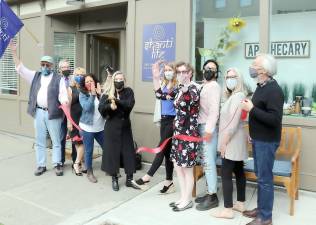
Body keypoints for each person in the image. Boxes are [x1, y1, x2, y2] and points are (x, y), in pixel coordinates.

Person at [9, 41, 69, 176]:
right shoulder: (35, 76)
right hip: (39, 112)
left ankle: (57, 164)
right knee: (40, 140)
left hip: (53, 113)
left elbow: (63, 95)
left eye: (47, 65)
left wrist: (65, 103)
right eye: (42, 64)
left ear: (52, 66)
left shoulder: (58, 79)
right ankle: (41, 165)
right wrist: (13, 52)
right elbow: (20, 68)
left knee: (56, 140)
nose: (45, 67)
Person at [241, 54, 284, 225]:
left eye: (255, 64)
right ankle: (260, 209)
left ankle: (265, 218)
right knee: (260, 177)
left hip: (267, 141)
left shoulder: (274, 90)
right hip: (259, 139)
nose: (251, 66)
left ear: (264, 70)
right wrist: (253, 132)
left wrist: (251, 108)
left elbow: (274, 120)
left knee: (265, 179)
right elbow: (260, 113)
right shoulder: (261, 86)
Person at [135, 61, 177, 194]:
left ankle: (148, 177)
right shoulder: (164, 83)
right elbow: (158, 95)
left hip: (172, 121)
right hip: (164, 120)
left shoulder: (177, 86)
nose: (167, 72)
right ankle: (169, 182)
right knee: (167, 152)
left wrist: (158, 88)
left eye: (170, 69)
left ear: (175, 71)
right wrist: (155, 77)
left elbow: (163, 96)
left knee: (160, 148)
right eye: (166, 70)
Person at [212, 68, 247, 219]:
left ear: (239, 79)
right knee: (239, 170)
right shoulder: (235, 95)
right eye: (227, 77)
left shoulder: (238, 96)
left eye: (233, 76)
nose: (229, 79)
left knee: (226, 173)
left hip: (231, 139)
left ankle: (228, 209)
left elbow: (232, 124)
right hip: (237, 138)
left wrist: (224, 143)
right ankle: (240, 203)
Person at [98, 71, 140, 191]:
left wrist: (116, 101)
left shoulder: (129, 92)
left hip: (125, 126)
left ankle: (129, 179)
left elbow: (128, 105)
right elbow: (101, 109)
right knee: (113, 153)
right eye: (116, 79)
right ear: (113, 81)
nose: (118, 81)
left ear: (124, 80)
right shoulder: (107, 93)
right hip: (112, 126)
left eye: (121, 79)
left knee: (128, 152)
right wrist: (109, 107)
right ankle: (114, 178)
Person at [168, 62, 200, 211]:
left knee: (187, 168)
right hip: (178, 133)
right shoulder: (179, 89)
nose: (181, 74)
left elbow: (192, 99)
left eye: (184, 72)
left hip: (188, 134)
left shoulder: (194, 88)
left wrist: (186, 88)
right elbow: (162, 95)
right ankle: (183, 197)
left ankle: (187, 200)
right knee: (178, 166)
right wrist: (156, 78)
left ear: (190, 73)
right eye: (178, 72)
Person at [195, 59, 221, 211]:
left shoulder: (214, 86)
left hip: (207, 128)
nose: (209, 70)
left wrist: (209, 131)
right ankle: (209, 191)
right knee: (205, 161)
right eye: (207, 67)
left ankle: (213, 196)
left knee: (209, 162)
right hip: (201, 126)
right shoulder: (204, 85)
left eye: (212, 68)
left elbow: (214, 110)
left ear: (216, 72)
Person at [79, 73, 105, 183]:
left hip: (100, 127)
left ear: (95, 82)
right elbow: (87, 108)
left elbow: (105, 106)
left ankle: (108, 167)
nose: (89, 83)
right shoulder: (83, 94)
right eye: (87, 82)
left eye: (91, 81)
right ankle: (89, 172)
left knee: (107, 147)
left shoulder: (100, 92)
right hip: (87, 128)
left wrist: (101, 94)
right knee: (89, 151)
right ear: (84, 84)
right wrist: (93, 95)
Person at [67, 67, 86, 175]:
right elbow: (67, 106)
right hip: (74, 119)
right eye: (77, 74)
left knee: (83, 142)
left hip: (84, 119)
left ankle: (78, 163)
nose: (79, 77)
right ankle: (79, 163)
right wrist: (69, 122)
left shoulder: (86, 88)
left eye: (81, 75)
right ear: (74, 76)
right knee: (77, 142)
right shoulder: (70, 89)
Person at [58, 59, 75, 167]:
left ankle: (75, 161)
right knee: (61, 137)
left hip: (73, 113)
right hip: (62, 113)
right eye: (63, 67)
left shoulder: (74, 79)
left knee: (74, 137)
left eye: (67, 67)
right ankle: (60, 161)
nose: (66, 69)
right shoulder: (57, 80)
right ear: (59, 70)